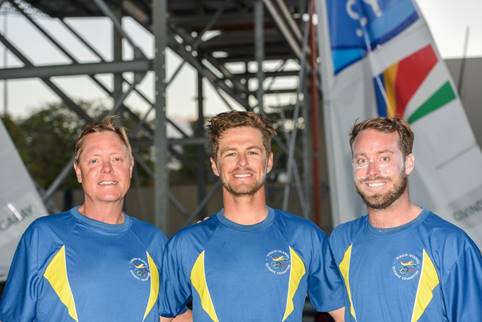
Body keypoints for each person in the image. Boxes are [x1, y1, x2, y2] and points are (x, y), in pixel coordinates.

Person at [159, 111, 345, 322]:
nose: (242, 163)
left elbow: (344, 314)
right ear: (214, 165)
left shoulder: (304, 236)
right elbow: (168, 316)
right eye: (230, 153)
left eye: (252, 152)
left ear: (269, 161)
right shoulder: (187, 244)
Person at [0, 117, 190, 322]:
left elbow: (174, 316)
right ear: (79, 171)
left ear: (131, 166)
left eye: (117, 159)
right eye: (94, 160)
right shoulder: (44, 236)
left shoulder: (152, 240)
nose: (107, 168)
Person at [329, 117, 482, 321]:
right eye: (362, 160)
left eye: (384, 158)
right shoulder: (341, 240)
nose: (372, 172)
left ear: (408, 164)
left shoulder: (450, 245)